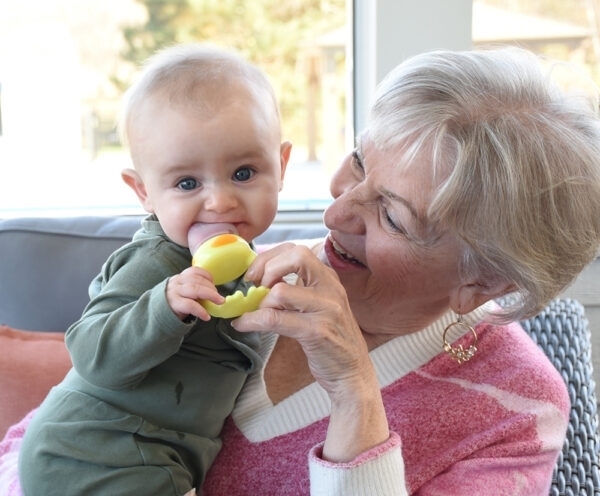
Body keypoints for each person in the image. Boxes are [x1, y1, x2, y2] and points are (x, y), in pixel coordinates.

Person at [3, 46, 600, 496]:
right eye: (358, 162)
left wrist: (354, 393)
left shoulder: (514, 410)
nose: (336, 212)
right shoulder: (228, 265)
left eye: (390, 215)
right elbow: (62, 421)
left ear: (485, 281)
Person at [17, 43, 291, 495]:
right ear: (143, 191)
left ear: (280, 167)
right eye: (187, 183)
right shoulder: (157, 262)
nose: (220, 201)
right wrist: (163, 306)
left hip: (157, 459)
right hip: (94, 451)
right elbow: (89, 352)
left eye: (244, 173)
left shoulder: (250, 261)